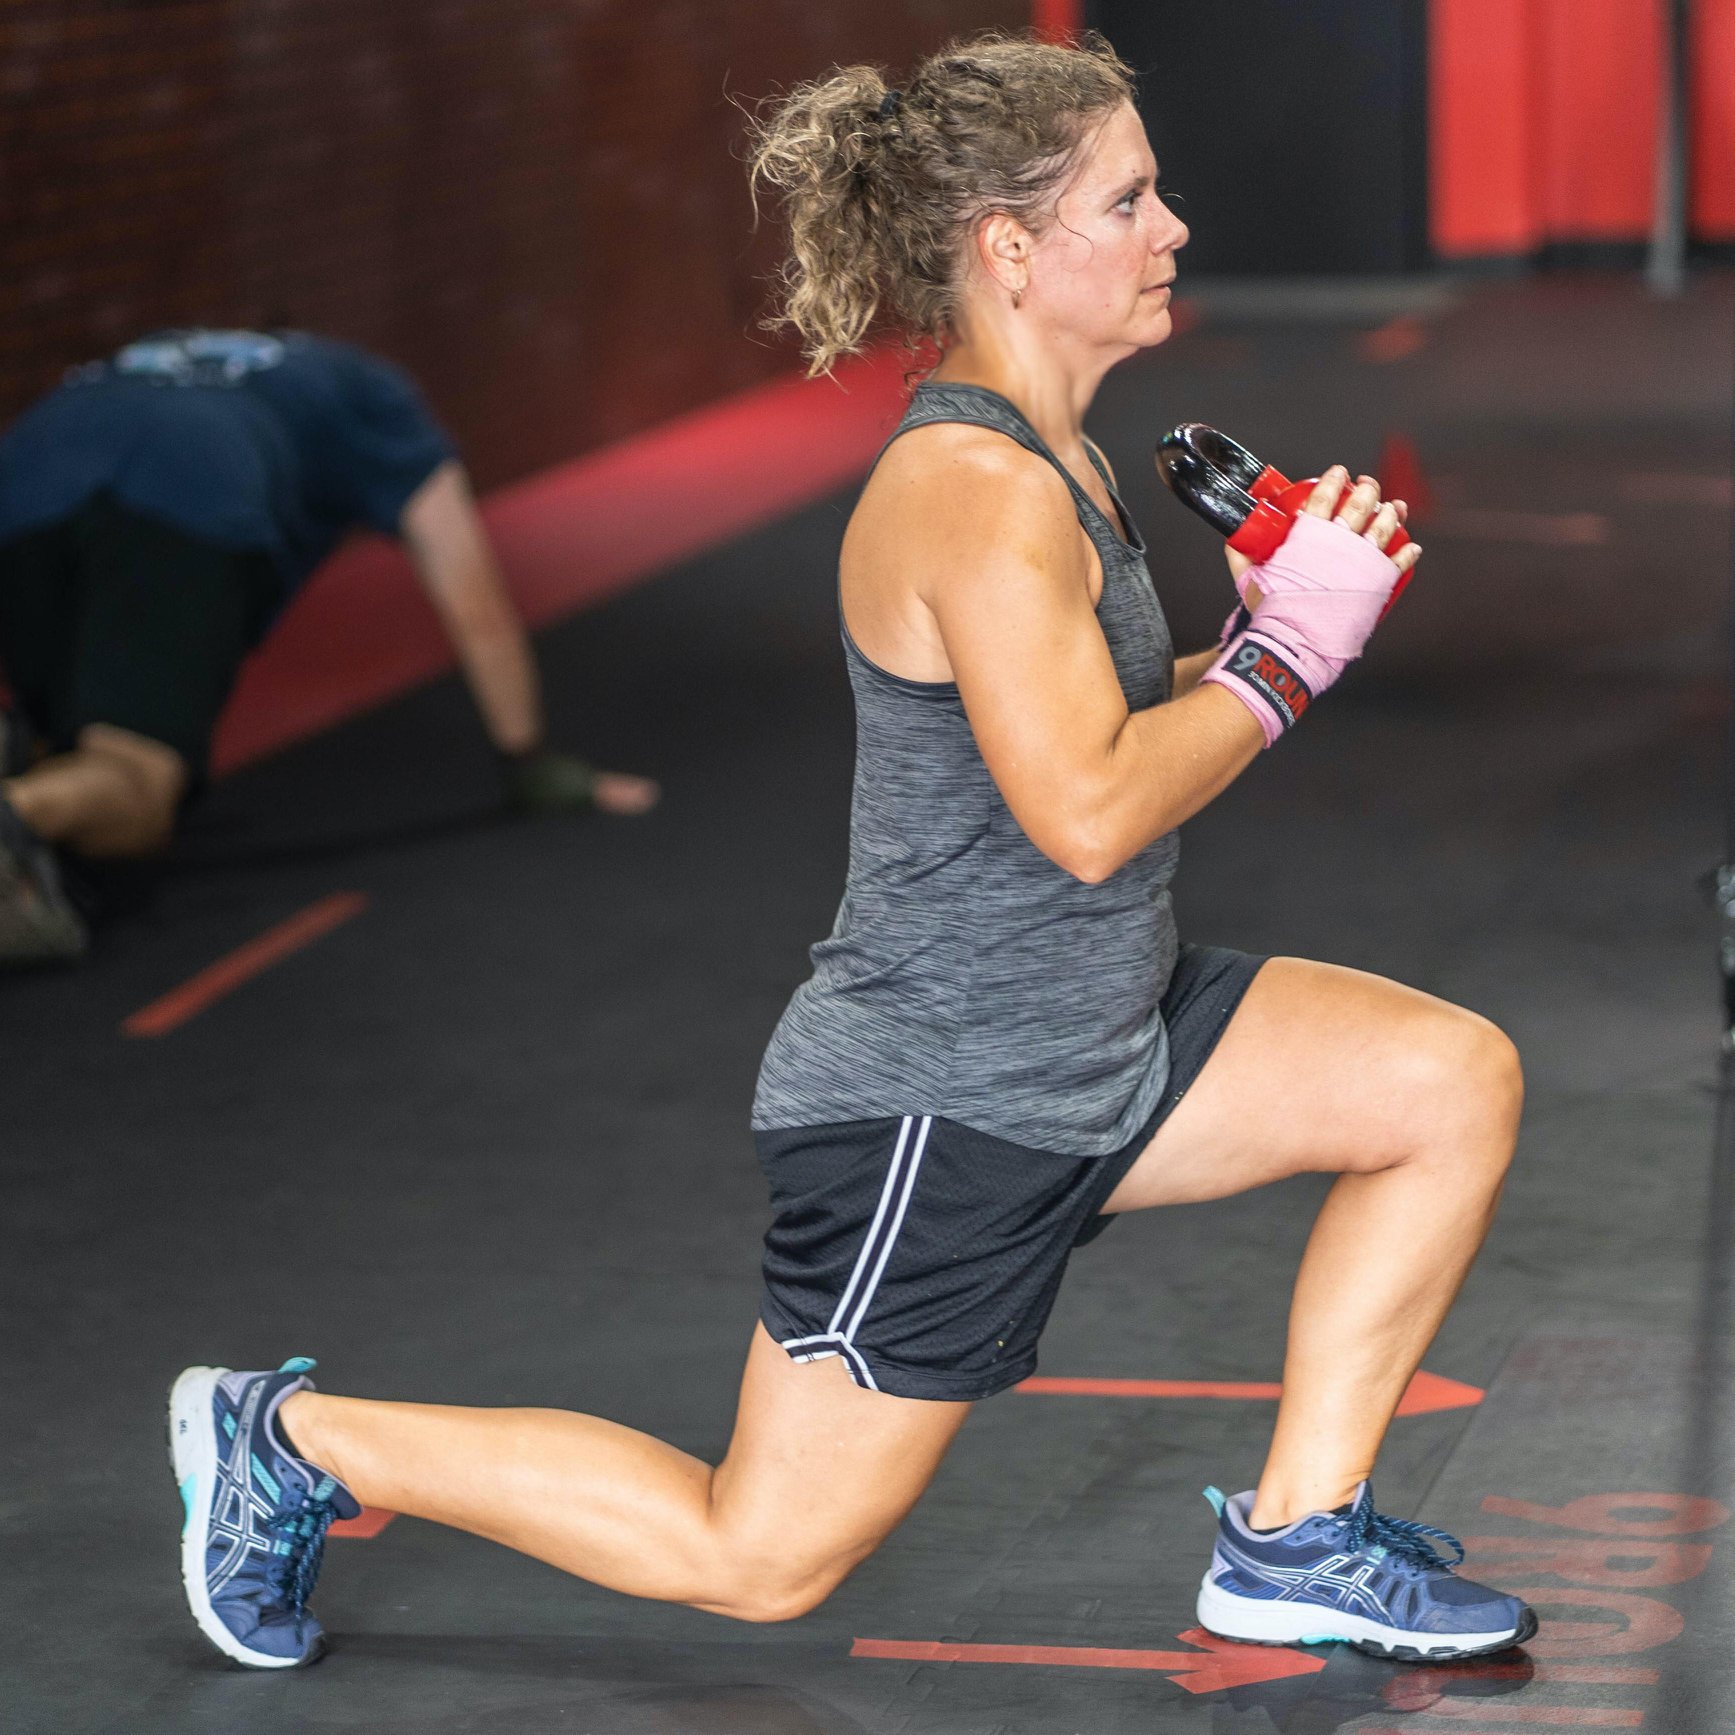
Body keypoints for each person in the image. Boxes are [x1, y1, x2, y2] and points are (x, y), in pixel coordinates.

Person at [167, 31, 1533, 1672]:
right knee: (757, 1555)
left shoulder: (1061, 460)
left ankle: (1298, 1541)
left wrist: (1257, 638)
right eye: (1128, 199)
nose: (1171, 227)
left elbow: (1073, 724)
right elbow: (1088, 809)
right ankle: (287, 1441)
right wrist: (1281, 662)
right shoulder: (972, 492)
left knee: (1444, 1082)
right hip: (946, 1101)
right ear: (1009, 248)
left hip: (1100, 1038)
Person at [0, 328, 657, 966]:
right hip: (185, 481)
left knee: (57, 739)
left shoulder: (174, 347)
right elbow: (472, 594)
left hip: (27, 468)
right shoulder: (372, 392)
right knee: (137, 791)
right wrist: (528, 760)